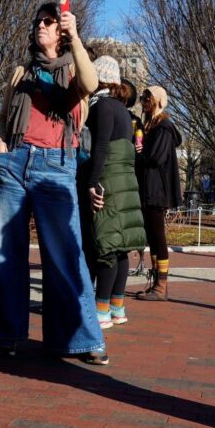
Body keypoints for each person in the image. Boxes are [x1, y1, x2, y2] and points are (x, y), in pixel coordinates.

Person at [0, 2, 108, 365]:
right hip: (14, 161)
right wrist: (0, 146)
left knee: (66, 253)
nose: (40, 26)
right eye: (37, 22)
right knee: (5, 252)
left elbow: (91, 83)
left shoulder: (74, 69)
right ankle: (5, 333)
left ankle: (80, 338)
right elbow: (2, 117)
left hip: (56, 166)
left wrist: (76, 36)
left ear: (61, 31)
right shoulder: (21, 73)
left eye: (48, 21)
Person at [78, 56, 146, 328]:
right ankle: (117, 307)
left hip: (109, 181)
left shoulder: (102, 106)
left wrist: (91, 182)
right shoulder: (121, 109)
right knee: (120, 248)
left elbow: (101, 147)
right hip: (124, 181)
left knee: (106, 245)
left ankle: (101, 311)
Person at [133, 85, 183, 300]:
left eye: (148, 97)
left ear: (158, 101)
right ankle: (156, 283)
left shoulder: (163, 127)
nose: (143, 100)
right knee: (152, 237)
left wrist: (139, 152)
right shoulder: (150, 125)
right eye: (143, 96)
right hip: (148, 189)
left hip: (156, 190)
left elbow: (155, 158)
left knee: (158, 236)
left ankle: (161, 286)